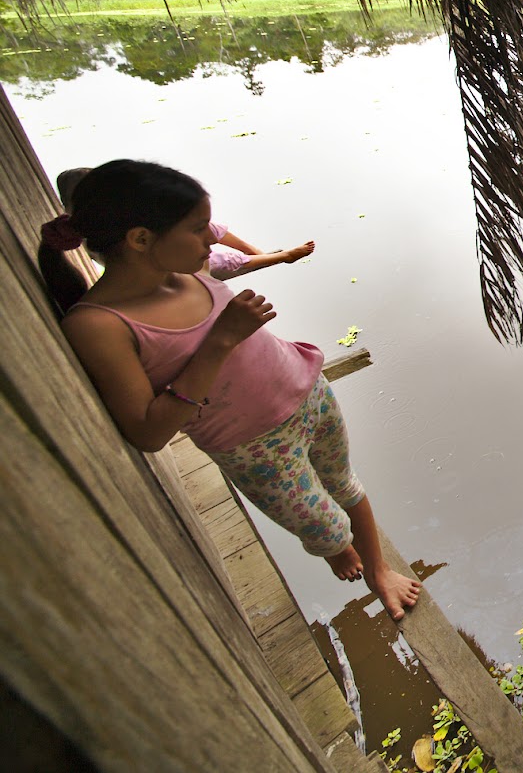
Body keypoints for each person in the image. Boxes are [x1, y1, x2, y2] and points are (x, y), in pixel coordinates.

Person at [37, 160, 421, 621]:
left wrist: (277, 258)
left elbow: (231, 258)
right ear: (140, 239)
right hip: (253, 446)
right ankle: (338, 550)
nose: (211, 238)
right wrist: (221, 339)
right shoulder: (99, 324)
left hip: (308, 394)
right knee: (324, 527)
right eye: (199, 229)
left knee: (345, 485)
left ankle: (379, 571)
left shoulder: (192, 270)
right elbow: (148, 432)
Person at [57, 166, 315, 280]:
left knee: (206, 233)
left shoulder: (114, 217)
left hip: (170, 257)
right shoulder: (103, 229)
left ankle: (256, 254)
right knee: (222, 262)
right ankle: (278, 257)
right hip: (175, 266)